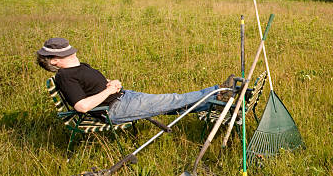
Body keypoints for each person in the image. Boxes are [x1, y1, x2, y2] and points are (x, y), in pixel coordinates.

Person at [36, 37, 235, 124]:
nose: (72, 54)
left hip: (123, 97)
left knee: (172, 106)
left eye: (70, 51)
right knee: (174, 100)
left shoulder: (79, 67)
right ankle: (217, 92)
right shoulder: (65, 76)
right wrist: (108, 91)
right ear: (55, 61)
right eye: (66, 54)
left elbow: (95, 84)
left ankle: (215, 103)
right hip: (114, 109)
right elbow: (81, 106)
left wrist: (112, 83)